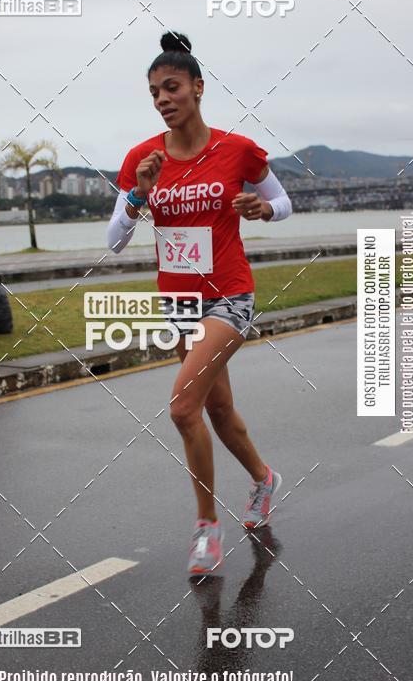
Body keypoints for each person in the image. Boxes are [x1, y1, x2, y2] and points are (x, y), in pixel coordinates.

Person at [106, 31, 293, 576]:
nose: (164, 99)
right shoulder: (142, 158)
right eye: (154, 93)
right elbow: (114, 240)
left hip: (230, 295)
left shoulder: (236, 149)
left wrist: (263, 209)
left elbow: (282, 201)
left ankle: (206, 528)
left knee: (182, 407)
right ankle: (264, 479)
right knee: (216, 408)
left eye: (172, 88)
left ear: (198, 88)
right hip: (180, 301)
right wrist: (140, 194)